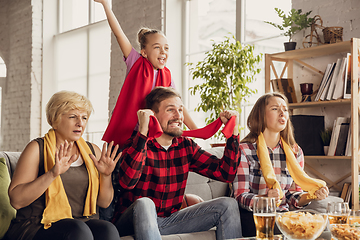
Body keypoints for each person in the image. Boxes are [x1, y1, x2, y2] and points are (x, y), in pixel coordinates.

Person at [112, 86, 242, 240]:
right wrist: (143, 132)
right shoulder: (137, 144)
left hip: (168, 221)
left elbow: (225, 173)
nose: (178, 116)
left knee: (228, 205)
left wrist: (232, 135)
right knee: (145, 204)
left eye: (180, 110)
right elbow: (127, 182)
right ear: (153, 115)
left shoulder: (185, 145)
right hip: (131, 220)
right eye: (170, 110)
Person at [6, 91, 121, 240]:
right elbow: (16, 201)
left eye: (84, 117)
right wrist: (52, 174)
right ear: (55, 119)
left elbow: (104, 203)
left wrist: (106, 176)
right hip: (37, 225)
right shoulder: (36, 148)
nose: (80, 123)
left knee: (107, 230)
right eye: (73, 117)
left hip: (80, 223)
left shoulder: (93, 151)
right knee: (78, 230)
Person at [95, 0, 197, 149]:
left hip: (152, 136)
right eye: (157, 47)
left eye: (166, 48)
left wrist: (195, 131)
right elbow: (118, 34)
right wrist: (105, 5)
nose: (163, 51)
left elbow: (179, 106)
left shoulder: (167, 76)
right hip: (129, 133)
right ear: (144, 52)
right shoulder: (136, 62)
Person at [232, 92, 329, 237]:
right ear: (261, 115)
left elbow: (291, 195)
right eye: (275, 108)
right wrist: (264, 199)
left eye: (285, 109)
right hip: (254, 217)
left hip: (284, 215)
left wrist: (312, 195)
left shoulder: (295, 152)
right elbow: (239, 196)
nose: (282, 113)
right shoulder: (244, 150)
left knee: (323, 227)